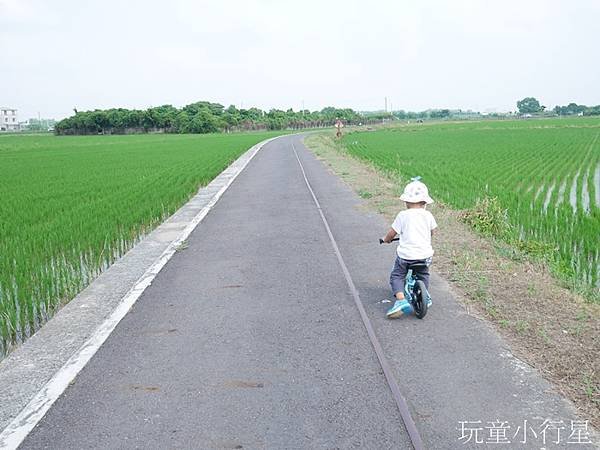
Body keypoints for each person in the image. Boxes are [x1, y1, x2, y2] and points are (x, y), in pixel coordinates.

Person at [380, 177, 437, 318]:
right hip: (425, 255)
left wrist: (386, 240)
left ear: (406, 201)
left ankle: (400, 301)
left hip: (406, 256)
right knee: (424, 274)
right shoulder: (428, 215)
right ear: (425, 202)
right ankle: (426, 296)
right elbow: (432, 232)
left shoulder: (403, 215)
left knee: (397, 275)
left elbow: (392, 233)